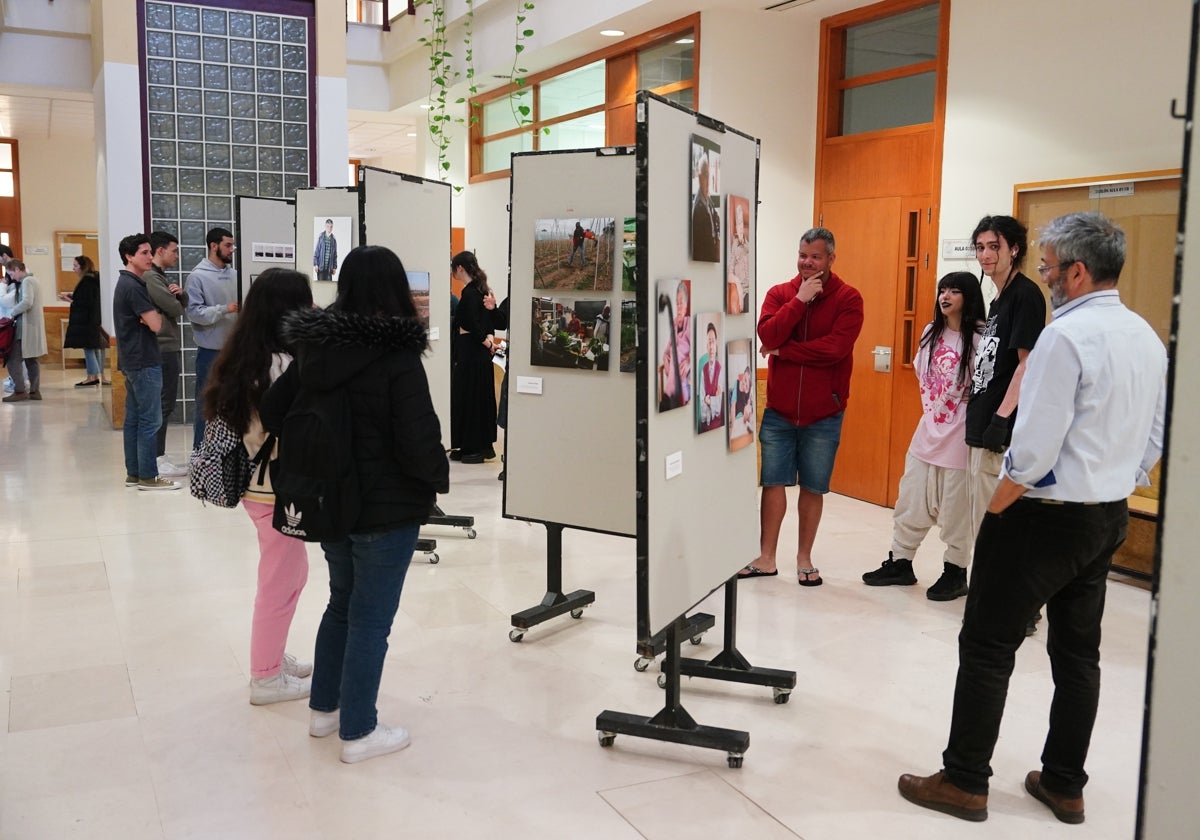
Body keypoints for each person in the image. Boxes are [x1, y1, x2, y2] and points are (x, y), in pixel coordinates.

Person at [899, 212, 1167, 826]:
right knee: (1079, 655)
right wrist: (1118, 481)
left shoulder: (1064, 338)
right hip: (1106, 516)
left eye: (1047, 265)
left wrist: (996, 511)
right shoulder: (1145, 336)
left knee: (988, 644)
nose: (1043, 274)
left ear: (1077, 271)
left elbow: (1035, 446)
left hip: (1040, 516)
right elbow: (1155, 436)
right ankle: (1066, 784)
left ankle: (965, 780)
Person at [261, 245, 449, 764]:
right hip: (386, 509)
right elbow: (418, 437)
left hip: (330, 504)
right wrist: (437, 479)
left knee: (341, 604)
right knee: (371, 620)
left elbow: (275, 409)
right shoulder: (397, 355)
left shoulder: (314, 348)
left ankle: (325, 710)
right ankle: (359, 732)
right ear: (394, 291)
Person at [203, 268, 315, 706]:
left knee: (286, 574)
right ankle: (265, 677)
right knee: (281, 581)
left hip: (258, 484)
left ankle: (270, 656)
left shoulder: (247, 355)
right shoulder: (280, 364)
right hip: (275, 487)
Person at [740, 228, 864, 585]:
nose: (807, 263)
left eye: (816, 257)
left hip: (824, 413)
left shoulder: (849, 298)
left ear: (831, 259)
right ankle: (766, 557)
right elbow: (768, 335)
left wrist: (785, 352)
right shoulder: (780, 294)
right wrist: (800, 301)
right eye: (803, 255)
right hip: (780, 410)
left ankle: (804, 558)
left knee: (813, 486)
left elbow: (834, 350)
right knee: (773, 482)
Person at [861, 272, 986, 599]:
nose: (945, 296)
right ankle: (901, 562)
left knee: (956, 511)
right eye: (942, 290)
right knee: (911, 501)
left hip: (960, 439)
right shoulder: (932, 332)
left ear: (969, 297)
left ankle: (956, 571)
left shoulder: (981, 339)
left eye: (955, 291)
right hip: (927, 433)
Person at [966, 216, 1047, 628]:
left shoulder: (1025, 295)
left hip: (1001, 427)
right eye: (980, 247)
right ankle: (1003, 598)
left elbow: (1027, 365)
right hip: (982, 420)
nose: (985, 255)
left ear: (1014, 248)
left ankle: (1018, 605)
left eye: (993, 246)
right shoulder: (997, 300)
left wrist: (1001, 419)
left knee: (1001, 521)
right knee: (985, 516)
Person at [112, 234, 178, 490]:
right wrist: (155, 315)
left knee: (135, 419)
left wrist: (150, 316)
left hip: (132, 358)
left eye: (151, 252)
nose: (150, 257)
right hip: (144, 359)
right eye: (144, 253)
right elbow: (157, 324)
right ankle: (149, 476)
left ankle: (135, 473)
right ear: (129, 256)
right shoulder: (134, 286)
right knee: (151, 420)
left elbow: (149, 321)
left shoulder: (126, 283)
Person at [186, 226, 239, 451]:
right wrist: (225, 309)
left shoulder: (235, 274)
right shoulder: (197, 277)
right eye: (228, 245)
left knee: (234, 404)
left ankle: (229, 454)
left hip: (235, 351)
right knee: (206, 405)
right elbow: (195, 313)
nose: (232, 250)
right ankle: (201, 453)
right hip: (210, 352)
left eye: (233, 245)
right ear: (213, 246)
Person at [143, 232, 188, 477]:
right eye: (174, 250)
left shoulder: (160, 277)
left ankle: (159, 455)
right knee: (162, 404)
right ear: (160, 251)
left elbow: (179, 303)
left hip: (168, 346)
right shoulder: (152, 277)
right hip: (163, 347)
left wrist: (180, 295)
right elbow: (174, 308)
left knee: (165, 404)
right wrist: (178, 299)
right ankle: (157, 458)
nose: (177, 256)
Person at [449, 250, 499, 464]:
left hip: (472, 355)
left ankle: (474, 447)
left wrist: (486, 340)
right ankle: (471, 445)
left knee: (472, 399)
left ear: (460, 268)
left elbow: (469, 322)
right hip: (474, 354)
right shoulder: (479, 290)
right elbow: (487, 323)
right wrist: (487, 338)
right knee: (474, 399)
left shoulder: (471, 293)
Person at [1, 260, 47, 404]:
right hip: (33, 327)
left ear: (16, 269)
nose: (12, 277)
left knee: (12, 360)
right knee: (31, 359)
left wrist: (12, 313)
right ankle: (34, 391)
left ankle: (20, 391)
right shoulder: (35, 280)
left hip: (25, 329)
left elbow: (27, 302)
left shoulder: (27, 281)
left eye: (11, 273)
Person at [61, 256, 109, 387]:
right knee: (95, 347)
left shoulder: (87, 281)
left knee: (89, 347)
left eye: (75, 265)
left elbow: (85, 303)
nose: (73, 268)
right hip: (94, 319)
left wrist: (70, 300)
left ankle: (92, 376)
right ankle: (96, 375)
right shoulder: (94, 279)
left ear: (83, 267)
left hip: (87, 320)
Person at [690, 149, 720, 262]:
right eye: (706, 175)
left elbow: (716, 220)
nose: (708, 181)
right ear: (700, 177)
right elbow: (699, 247)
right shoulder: (698, 208)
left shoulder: (708, 201)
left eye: (710, 176)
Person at [698, 321, 724, 432]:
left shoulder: (720, 369)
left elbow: (719, 404)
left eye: (713, 342)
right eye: (709, 342)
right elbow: (702, 400)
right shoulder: (703, 369)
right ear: (706, 346)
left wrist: (710, 401)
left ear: (716, 344)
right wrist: (711, 400)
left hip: (717, 424)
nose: (711, 347)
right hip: (705, 423)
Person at [727, 201, 751, 313]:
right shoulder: (734, 246)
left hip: (750, 291)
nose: (740, 227)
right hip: (742, 291)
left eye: (742, 223)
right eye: (738, 223)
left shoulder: (749, 245)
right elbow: (729, 273)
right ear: (736, 227)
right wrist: (739, 287)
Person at [674, 280, 692, 404]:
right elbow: (667, 348)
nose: (679, 306)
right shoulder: (674, 323)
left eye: (682, 302)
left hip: (684, 376)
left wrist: (689, 361)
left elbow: (695, 348)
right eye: (677, 303)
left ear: (687, 304)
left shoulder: (689, 323)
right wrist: (665, 356)